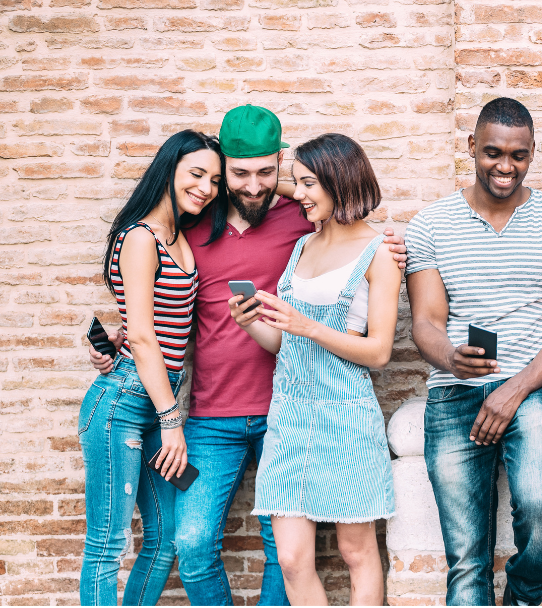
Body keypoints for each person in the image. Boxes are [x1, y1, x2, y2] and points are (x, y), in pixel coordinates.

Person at [89, 105, 407, 606]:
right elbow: (157, 302)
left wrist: (384, 242)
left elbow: (344, 229)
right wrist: (122, 348)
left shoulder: (300, 222)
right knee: (194, 543)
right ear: (221, 171)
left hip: (289, 408)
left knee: (296, 555)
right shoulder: (192, 224)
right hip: (212, 416)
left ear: (279, 165)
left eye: (267, 173)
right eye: (239, 174)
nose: (256, 186)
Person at [404, 97, 542, 606]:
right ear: (471, 147)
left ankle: (521, 597)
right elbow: (425, 323)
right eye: (492, 153)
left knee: (540, 508)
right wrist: (451, 357)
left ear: (533, 153)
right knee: (466, 561)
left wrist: (514, 390)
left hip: (530, 390)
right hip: (453, 395)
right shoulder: (430, 224)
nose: (505, 166)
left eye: (518, 155)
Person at [229, 133, 399, 605]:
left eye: (307, 184)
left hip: (344, 412)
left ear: (338, 182)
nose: (297, 193)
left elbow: (380, 351)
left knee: (356, 551)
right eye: (297, 183)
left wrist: (309, 326)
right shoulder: (302, 245)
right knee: (291, 559)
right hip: (288, 415)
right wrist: (250, 324)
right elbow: (284, 342)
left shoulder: (380, 251)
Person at [80, 130, 223, 605]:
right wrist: (171, 419)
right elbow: (142, 335)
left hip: (156, 397)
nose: (206, 187)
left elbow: (153, 324)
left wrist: (119, 340)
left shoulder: (179, 235)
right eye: (196, 174)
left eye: (215, 179)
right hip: (125, 402)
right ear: (169, 169)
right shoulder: (141, 236)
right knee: (107, 545)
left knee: (163, 540)